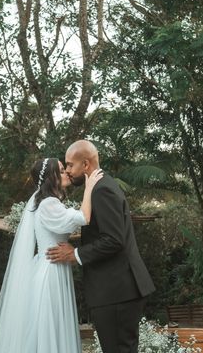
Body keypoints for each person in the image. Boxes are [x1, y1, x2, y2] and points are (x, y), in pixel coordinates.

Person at [47, 140, 156, 353]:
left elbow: (114, 240)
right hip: (118, 291)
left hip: (116, 292)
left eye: (70, 165)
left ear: (86, 164)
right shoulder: (99, 186)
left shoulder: (102, 190)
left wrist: (75, 254)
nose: (68, 171)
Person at [0, 157, 103, 353]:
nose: (66, 171)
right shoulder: (49, 203)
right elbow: (84, 217)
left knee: (53, 327)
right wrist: (89, 186)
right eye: (60, 169)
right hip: (51, 272)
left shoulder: (50, 203)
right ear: (51, 177)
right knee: (49, 328)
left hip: (54, 267)